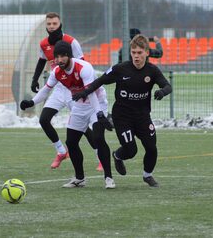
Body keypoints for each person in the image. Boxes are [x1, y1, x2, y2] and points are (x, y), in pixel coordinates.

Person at [73, 34, 172, 187]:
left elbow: (167, 86)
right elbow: (99, 81)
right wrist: (85, 92)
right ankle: (118, 156)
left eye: (139, 53)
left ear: (147, 52)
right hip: (122, 117)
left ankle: (148, 175)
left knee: (152, 148)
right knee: (131, 150)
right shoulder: (121, 69)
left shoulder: (152, 70)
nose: (136, 56)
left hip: (142, 116)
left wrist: (162, 92)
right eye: (133, 53)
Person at [21, 41, 115, 189]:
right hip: (80, 105)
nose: (59, 60)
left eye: (63, 56)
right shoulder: (57, 71)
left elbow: (91, 92)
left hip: (97, 102)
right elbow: (46, 89)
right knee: (71, 142)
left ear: (69, 55)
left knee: (98, 137)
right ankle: (79, 178)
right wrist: (31, 102)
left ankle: (108, 178)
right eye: (57, 57)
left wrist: (100, 114)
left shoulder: (84, 68)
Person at [31, 12, 102, 171]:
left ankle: (100, 156)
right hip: (58, 87)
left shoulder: (71, 42)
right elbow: (42, 60)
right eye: (48, 24)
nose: (51, 26)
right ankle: (61, 151)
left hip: (73, 89)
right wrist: (35, 79)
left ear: (60, 24)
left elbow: (82, 64)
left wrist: (82, 89)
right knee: (44, 119)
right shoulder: (43, 44)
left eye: (54, 24)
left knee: (83, 127)